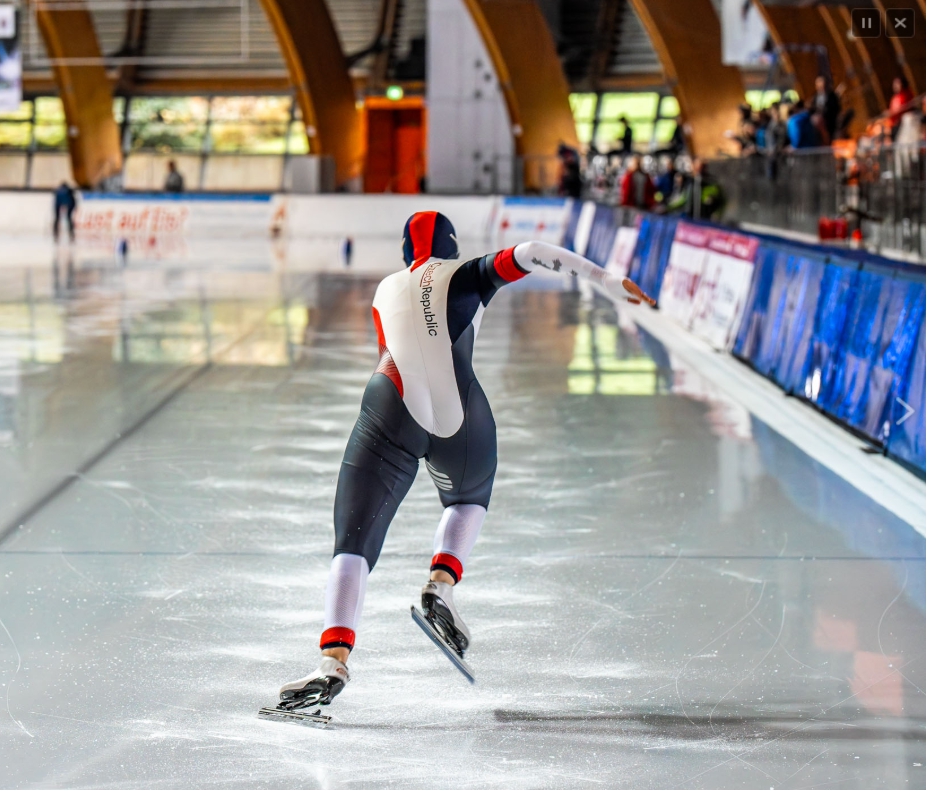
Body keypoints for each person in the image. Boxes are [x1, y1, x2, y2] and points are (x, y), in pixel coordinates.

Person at [274, 212, 654, 712]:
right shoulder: (470, 272)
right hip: (459, 412)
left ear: (406, 251)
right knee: (469, 496)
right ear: (451, 247)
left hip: (389, 406)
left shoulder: (385, 288)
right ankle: (441, 583)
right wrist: (604, 279)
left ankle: (333, 659)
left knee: (353, 540)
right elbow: (531, 251)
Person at [813, 76, 841, 141]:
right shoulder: (815, 97)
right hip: (820, 125)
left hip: (830, 122)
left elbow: (837, 108)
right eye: (819, 85)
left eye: (822, 85)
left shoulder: (832, 95)